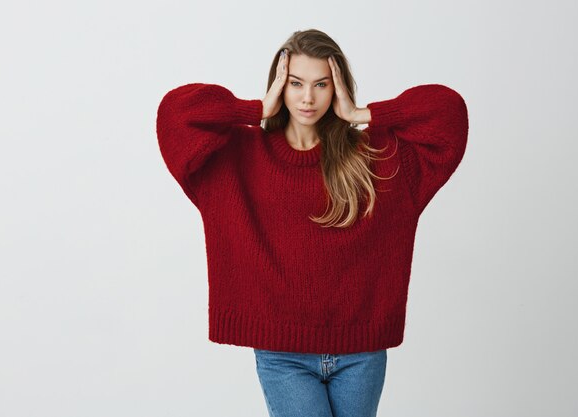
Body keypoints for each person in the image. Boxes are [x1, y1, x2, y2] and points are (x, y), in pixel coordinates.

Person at [156, 28, 468, 417]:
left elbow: (449, 113)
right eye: (295, 83)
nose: (307, 97)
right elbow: (175, 114)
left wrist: (362, 114)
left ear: (337, 87)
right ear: (279, 85)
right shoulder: (236, 156)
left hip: (361, 352)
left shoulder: (375, 157)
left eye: (321, 84)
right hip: (282, 355)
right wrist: (254, 110)